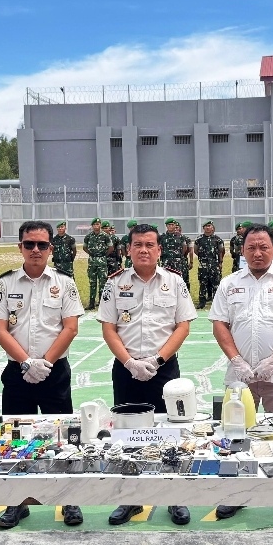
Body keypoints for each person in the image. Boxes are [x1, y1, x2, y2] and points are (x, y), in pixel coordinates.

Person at [210, 223, 273, 523]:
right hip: (239, 378)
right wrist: (236, 361)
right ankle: (237, 495)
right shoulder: (229, 284)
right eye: (251, 247)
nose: (257, 253)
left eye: (263, 247)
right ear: (242, 251)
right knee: (236, 436)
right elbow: (219, 324)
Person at [0, 221, 85, 529]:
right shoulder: (5, 283)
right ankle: (17, 501)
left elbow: (70, 327)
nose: (35, 250)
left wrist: (44, 362)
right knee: (15, 437)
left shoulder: (64, 282)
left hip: (54, 372)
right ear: (20, 247)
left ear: (50, 248)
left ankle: (69, 498)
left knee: (64, 436)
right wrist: (27, 363)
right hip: (17, 372)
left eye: (42, 245)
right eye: (29, 244)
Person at [98, 223, 196, 526]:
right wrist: (130, 363)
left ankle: (174, 497)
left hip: (164, 369)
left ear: (159, 249)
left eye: (149, 244)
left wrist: (158, 359)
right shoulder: (114, 283)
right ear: (128, 249)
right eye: (137, 244)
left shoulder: (174, 281)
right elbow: (109, 328)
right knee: (126, 435)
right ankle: (130, 498)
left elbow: (183, 326)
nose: (143, 250)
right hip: (126, 368)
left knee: (171, 432)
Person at [193, 220, 225, 309]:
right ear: (203, 228)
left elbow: (221, 251)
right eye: (206, 226)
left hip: (214, 264)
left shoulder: (218, 239)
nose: (208, 228)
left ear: (212, 228)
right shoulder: (199, 239)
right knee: (202, 283)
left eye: (209, 226)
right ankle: (202, 302)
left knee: (216, 283)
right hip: (203, 265)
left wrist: (220, 262)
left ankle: (216, 302)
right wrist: (203, 258)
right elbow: (195, 250)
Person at [83, 217, 112, 309]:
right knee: (92, 283)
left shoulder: (105, 236)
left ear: (100, 225)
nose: (96, 226)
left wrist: (103, 255)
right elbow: (84, 247)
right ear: (92, 226)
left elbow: (111, 248)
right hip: (92, 262)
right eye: (94, 224)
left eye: (98, 224)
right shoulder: (88, 236)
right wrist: (91, 254)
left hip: (102, 262)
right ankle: (91, 303)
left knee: (102, 283)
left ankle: (101, 303)